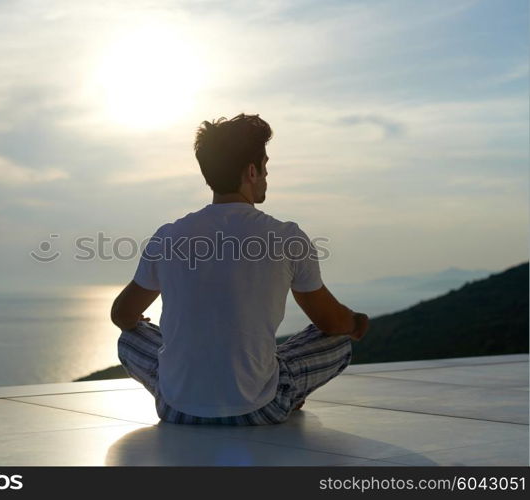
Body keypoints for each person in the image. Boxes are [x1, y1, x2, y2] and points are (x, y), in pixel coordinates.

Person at [110, 113, 369, 425]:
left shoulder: (168, 236)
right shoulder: (286, 237)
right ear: (251, 171)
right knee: (337, 339)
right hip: (261, 409)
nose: (266, 176)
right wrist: (353, 322)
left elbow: (121, 316)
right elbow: (330, 322)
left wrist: (150, 328)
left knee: (129, 338)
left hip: (176, 410)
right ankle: (286, 395)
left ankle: (190, 391)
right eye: (265, 168)